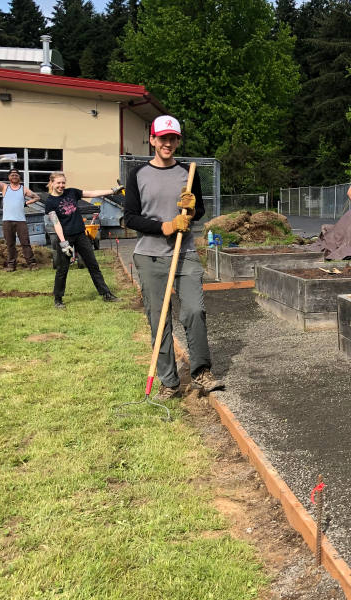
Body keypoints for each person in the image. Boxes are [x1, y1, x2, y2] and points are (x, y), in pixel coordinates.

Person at [123, 114, 223, 400]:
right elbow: (129, 217)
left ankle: (201, 372)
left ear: (178, 141)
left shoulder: (188, 173)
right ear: (152, 139)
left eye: (173, 138)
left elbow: (199, 211)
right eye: (162, 138)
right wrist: (165, 226)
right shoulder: (138, 175)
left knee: (194, 310)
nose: (168, 143)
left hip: (185, 252)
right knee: (159, 318)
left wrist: (190, 213)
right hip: (150, 256)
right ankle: (169, 382)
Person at [43, 172, 121, 309]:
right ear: (52, 183)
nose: (61, 185)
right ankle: (58, 298)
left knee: (93, 265)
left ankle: (106, 293)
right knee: (62, 268)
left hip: (80, 235)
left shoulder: (72, 192)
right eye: (58, 183)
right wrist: (63, 242)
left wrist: (113, 190)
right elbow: (56, 223)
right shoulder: (50, 202)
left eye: (63, 183)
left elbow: (93, 193)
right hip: (65, 237)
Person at [0, 162, 41, 271]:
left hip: (20, 220)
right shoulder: (4, 187)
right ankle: (11, 265)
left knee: (25, 243)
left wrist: (26, 203)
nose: (14, 176)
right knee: (10, 244)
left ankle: (32, 264)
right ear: (9, 177)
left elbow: (37, 197)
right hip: (7, 220)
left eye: (16, 175)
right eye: (12, 175)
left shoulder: (23, 189)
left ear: (19, 177)